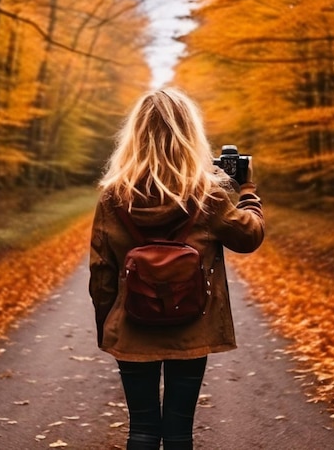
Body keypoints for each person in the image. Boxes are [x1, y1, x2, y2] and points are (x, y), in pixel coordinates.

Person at [89, 88, 265, 450]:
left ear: (134, 136)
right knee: (179, 431)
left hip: (132, 328)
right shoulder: (208, 195)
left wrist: (110, 327)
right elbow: (249, 237)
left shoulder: (112, 196)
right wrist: (248, 192)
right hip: (192, 327)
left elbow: (101, 272)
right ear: (190, 135)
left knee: (141, 429)